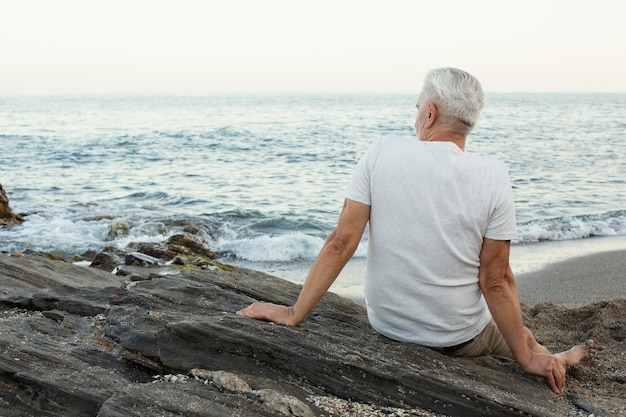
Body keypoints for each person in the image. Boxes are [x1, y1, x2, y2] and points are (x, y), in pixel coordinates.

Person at [237, 67, 595, 394]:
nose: (416, 116)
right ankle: (550, 357)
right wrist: (523, 357)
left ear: (430, 113)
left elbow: (340, 243)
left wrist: (293, 313)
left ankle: (551, 354)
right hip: (457, 338)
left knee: (512, 317)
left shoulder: (381, 152)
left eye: (417, 108)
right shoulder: (492, 174)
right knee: (523, 334)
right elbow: (496, 279)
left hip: (390, 324)